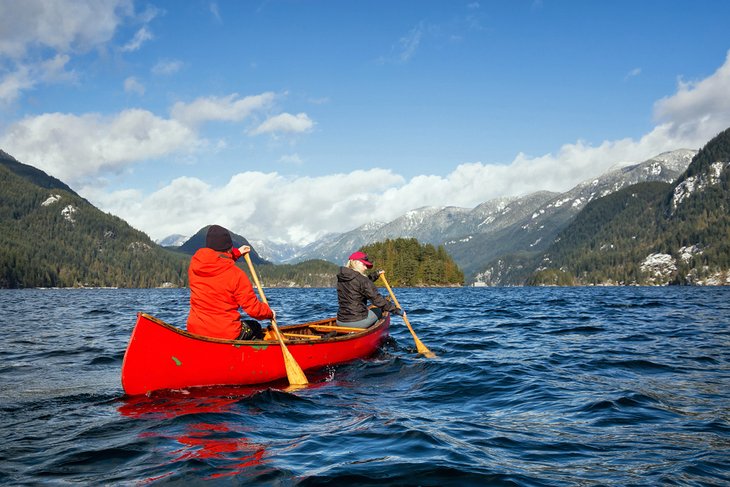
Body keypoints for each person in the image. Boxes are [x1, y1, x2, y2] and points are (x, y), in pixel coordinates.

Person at [187, 224, 274, 340]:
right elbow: (254, 310)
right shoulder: (236, 275)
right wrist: (270, 313)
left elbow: (216, 261)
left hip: (195, 330)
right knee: (255, 326)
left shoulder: (194, 266)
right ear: (229, 248)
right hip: (225, 333)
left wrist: (237, 253)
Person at [336, 251, 403, 328]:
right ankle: (373, 330)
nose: (365, 268)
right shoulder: (362, 280)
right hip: (356, 322)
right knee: (380, 310)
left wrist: (375, 275)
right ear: (356, 262)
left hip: (340, 321)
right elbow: (378, 300)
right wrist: (397, 310)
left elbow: (359, 285)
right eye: (364, 264)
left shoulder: (342, 277)